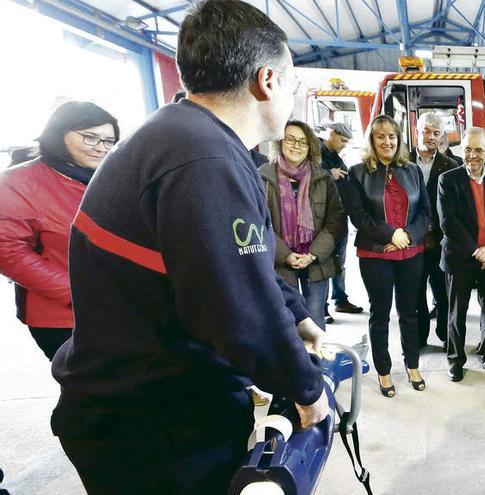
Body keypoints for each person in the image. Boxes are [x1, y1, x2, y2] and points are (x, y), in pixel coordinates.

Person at [50, 3, 331, 493]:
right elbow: (236, 308)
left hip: (146, 399)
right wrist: (306, 389)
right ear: (267, 80)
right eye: (292, 83)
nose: (292, 96)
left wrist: (299, 317)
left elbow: (246, 262)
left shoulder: (187, 137)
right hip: (150, 422)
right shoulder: (203, 159)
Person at [0, 101, 118, 360]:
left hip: (120, 309)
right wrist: (77, 293)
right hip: (64, 318)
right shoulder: (19, 182)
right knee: (92, 390)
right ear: (59, 133)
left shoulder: (108, 178)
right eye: (90, 137)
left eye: (109, 141)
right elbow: (8, 253)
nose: (101, 147)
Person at [341, 115, 431, 397]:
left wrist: (408, 236)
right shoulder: (357, 173)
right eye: (381, 136)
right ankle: (383, 370)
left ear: (399, 139)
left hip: (411, 253)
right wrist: (391, 236)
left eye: (392, 136)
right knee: (380, 314)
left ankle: (412, 365)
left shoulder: (413, 170)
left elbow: (426, 214)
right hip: (375, 255)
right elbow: (358, 216)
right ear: (372, 140)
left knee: (410, 313)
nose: (387, 141)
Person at [439, 127, 485, 382]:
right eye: (468, 149)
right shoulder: (448, 180)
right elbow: (448, 222)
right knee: (456, 313)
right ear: (461, 151)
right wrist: (475, 251)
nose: (472, 155)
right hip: (460, 257)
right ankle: (455, 360)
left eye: (478, 149)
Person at [260, 120, 345, 330]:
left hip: (315, 262)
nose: (296, 146)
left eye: (303, 142)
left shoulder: (322, 177)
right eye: (290, 139)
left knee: (315, 320)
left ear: (310, 147)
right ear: (279, 142)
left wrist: (314, 253)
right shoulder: (262, 176)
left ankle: (314, 362)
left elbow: (336, 219)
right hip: (278, 264)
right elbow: (259, 222)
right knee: (285, 320)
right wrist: (285, 254)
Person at [409, 112, 457, 347]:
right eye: (425, 131)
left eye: (436, 133)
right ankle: (419, 337)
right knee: (416, 292)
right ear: (416, 131)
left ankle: (445, 335)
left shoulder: (451, 166)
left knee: (443, 293)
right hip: (411, 242)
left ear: (441, 138)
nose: (430, 137)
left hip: (440, 243)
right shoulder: (402, 163)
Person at [318, 122, 363, 323]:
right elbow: (303, 176)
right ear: (332, 134)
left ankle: (340, 299)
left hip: (340, 217)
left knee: (339, 262)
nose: (344, 145)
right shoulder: (315, 153)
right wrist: (329, 174)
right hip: (322, 220)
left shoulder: (335, 157)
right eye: (342, 140)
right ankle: (321, 307)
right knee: (322, 263)